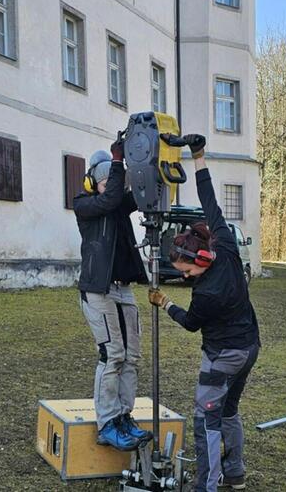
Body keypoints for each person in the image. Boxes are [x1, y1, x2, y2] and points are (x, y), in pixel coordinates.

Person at [148, 135, 261, 491]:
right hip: (249, 349)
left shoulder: (207, 293)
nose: (183, 276)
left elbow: (191, 324)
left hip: (223, 356)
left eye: (185, 270)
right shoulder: (224, 244)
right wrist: (198, 156)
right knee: (229, 411)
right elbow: (209, 199)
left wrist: (165, 303)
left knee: (206, 419)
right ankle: (236, 474)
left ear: (199, 261)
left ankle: (207, 486)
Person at [74, 140, 153, 451]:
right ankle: (107, 422)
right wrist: (118, 162)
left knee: (132, 357)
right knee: (112, 355)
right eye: (105, 180)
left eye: (114, 179)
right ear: (93, 182)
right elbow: (108, 201)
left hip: (124, 289)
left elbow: (142, 196)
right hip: (98, 289)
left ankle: (123, 417)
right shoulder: (85, 203)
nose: (112, 187)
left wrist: (153, 166)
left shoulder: (117, 201)